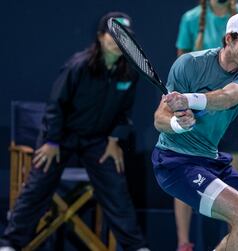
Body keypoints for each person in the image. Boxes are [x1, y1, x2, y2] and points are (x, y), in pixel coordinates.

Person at [0, 12, 150, 251]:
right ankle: (9, 243)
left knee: (116, 190)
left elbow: (124, 113)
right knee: (37, 187)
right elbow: (56, 105)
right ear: (101, 37)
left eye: (124, 37)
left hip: (98, 140)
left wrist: (114, 140)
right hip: (61, 137)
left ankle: (136, 247)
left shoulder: (130, 73)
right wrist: (51, 141)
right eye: (112, 35)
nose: (117, 41)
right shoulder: (78, 66)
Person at [152, 12, 238, 251]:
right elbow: (160, 119)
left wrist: (186, 99)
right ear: (229, 39)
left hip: (210, 159)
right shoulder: (189, 64)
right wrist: (178, 124)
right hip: (175, 162)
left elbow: (227, 98)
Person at [174, 1, 238, 250]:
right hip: (194, 112)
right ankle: (184, 244)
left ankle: (234, 242)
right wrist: (182, 102)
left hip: (230, 112)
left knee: (235, 185)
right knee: (183, 177)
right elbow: (182, 66)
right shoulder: (190, 18)